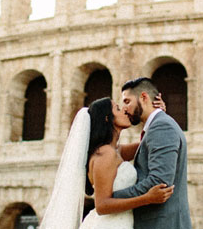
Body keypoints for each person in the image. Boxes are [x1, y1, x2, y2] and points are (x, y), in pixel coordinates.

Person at [40, 96, 173, 229]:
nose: (124, 111)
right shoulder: (105, 154)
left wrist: (156, 116)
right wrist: (147, 198)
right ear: (107, 118)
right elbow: (102, 206)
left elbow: (147, 143)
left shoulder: (115, 150)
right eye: (118, 109)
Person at [114, 77, 191, 229]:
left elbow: (159, 182)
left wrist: (112, 199)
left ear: (143, 97)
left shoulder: (161, 126)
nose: (124, 108)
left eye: (127, 101)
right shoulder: (157, 126)